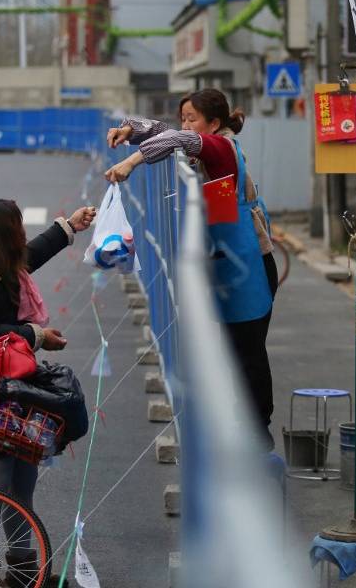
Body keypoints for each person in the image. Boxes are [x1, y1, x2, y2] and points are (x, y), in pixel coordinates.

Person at [104, 88, 279, 450]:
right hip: (231, 264)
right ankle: (241, 426)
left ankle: (258, 432)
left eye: (192, 118)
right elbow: (164, 132)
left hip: (251, 266)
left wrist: (131, 162)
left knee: (249, 354)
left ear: (213, 123)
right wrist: (129, 128)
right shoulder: (207, 143)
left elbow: (178, 138)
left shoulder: (221, 148)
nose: (185, 125)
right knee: (233, 352)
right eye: (183, 117)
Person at [0, 198, 95, 587]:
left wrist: (69, 227)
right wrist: (37, 335)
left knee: (24, 472)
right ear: (2, 238)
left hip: (15, 380)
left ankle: (22, 568)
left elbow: (30, 255)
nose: (23, 237)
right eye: (17, 230)